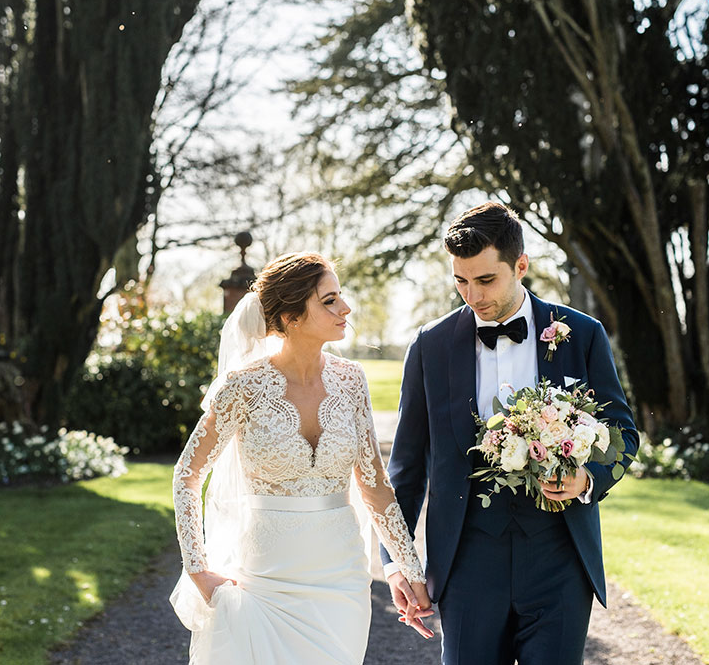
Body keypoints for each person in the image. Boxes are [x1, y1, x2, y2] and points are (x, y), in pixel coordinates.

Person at [381, 202, 640, 665]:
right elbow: (406, 468)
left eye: (485, 280)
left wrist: (586, 479)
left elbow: (622, 432)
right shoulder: (430, 347)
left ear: (521, 265)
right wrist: (397, 561)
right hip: (466, 564)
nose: (472, 295)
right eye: (461, 280)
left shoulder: (581, 334)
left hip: (559, 560)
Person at [170, 252, 431, 664]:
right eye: (328, 300)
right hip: (264, 581)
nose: (345, 308)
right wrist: (197, 568)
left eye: (340, 296)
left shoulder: (351, 380)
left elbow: (376, 487)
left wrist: (410, 570)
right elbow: (188, 471)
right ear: (290, 317)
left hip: (341, 580)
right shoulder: (243, 387)